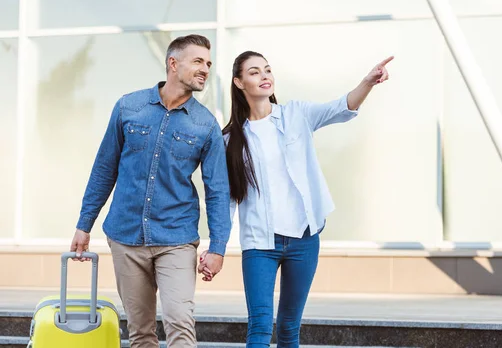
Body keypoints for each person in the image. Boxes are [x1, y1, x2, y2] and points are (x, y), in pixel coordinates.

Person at [214, 50, 393, 347]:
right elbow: (227, 199)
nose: (265, 76)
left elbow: (341, 107)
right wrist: (216, 249)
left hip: (303, 239)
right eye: (255, 72)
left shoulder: (296, 114)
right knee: (259, 326)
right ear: (239, 82)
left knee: (288, 327)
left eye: (268, 70)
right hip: (260, 244)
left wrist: (368, 82)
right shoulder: (230, 140)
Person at [70, 34, 232, 348]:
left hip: (176, 238)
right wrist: (83, 224)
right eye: (198, 61)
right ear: (173, 63)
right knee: (141, 331)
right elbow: (105, 169)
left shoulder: (206, 124)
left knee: (179, 321)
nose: (205, 69)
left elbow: (218, 191)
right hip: (126, 235)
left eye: (208, 63)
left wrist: (218, 247)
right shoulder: (128, 107)